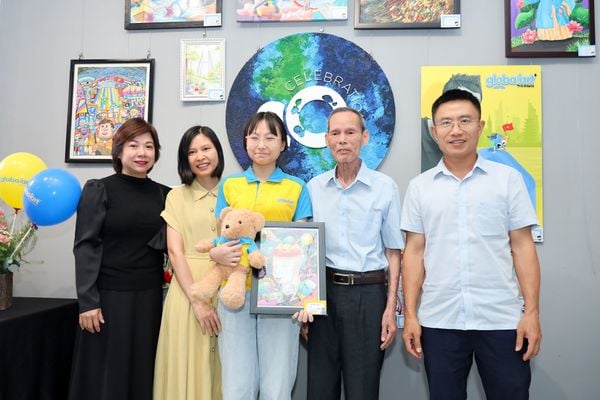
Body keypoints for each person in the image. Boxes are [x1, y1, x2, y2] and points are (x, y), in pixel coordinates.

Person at [401, 89, 542, 400]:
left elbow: (523, 247)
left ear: (480, 126)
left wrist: (531, 312)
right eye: (446, 122)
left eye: (465, 120)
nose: (456, 130)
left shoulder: (508, 179)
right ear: (434, 131)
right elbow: (414, 253)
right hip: (440, 319)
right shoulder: (420, 188)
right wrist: (410, 314)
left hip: (501, 318)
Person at [303, 107, 404, 399]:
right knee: (320, 388)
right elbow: (306, 250)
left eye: (350, 132)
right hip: (323, 296)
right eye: (335, 133)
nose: (342, 140)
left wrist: (390, 307)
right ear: (326, 140)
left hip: (368, 294)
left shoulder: (384, 187)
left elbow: (394, 252)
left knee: (362, 388)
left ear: (365, 137)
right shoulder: (314, 188)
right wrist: (305, 304)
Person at [212, 111, 312, 399]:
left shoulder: (296, 187)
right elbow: (221, 234)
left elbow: (304, 245)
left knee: (277, 383)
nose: (261, 144)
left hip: (280, 296)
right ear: (245, 142)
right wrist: (217, 252)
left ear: (283, 144)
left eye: (270, 137)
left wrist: (305, 298)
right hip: (235, 293)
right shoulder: (230, 185)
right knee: (236, 383)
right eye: (254, 137)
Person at [69, 117, 170, 400]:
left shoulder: (165, 195)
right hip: (107, 299)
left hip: (149, 297)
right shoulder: (98, 189)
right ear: (119, 150)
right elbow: (85, 246)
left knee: (143, 369)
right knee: (107, 374)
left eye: (149, 146)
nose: (142, 153)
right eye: (134, 145)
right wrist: (88, 302)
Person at [153, 126, 225, 400]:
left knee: (224, 365)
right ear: (185, 159)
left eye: (206, 148)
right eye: (192, 152)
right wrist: (197, 301)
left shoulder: (234, 190)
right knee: (188, 362)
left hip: (227, 289)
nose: (200, 156)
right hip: (188, 290)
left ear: (217, 151)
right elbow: (175, 252)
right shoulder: (176, 196)